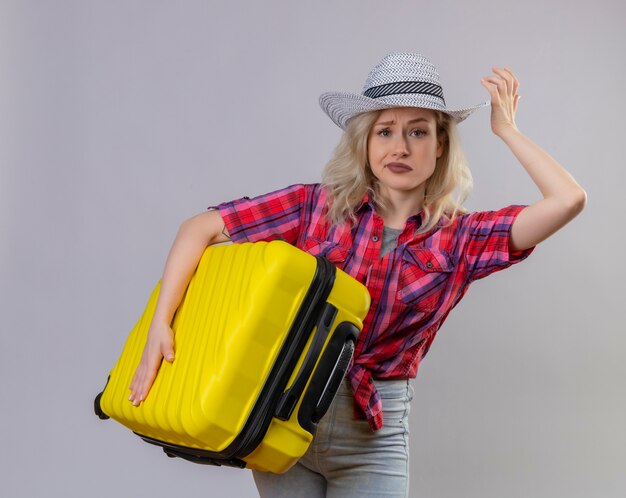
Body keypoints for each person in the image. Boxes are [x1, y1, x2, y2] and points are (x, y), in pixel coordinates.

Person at [127, 53, 586, 497]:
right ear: (365, 143)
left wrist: (506, 130)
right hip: (284, 412)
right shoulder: (316, 208)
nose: (400, 147)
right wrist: (160, 325)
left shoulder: (461, 238)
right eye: (384, 131)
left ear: (440, 143)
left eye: (418, 131)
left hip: (374, 435)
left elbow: (568, 200)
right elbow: (200, 228)